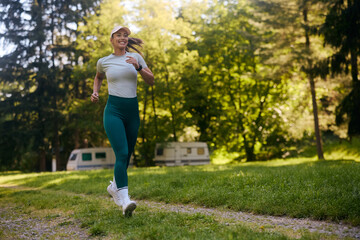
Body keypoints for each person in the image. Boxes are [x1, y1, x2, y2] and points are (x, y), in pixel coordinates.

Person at [90, 26, 154, 217]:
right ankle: (125, 201)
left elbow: (151, 80)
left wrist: (139, 67)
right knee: (122, 152)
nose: (123, 38)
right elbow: (98, 77)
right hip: (114, 111)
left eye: (125, 35)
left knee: (127, 155)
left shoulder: (136, 58)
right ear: (112, 39)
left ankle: (114, 187)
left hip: (132, 111)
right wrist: (95, 92)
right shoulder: (104, 61)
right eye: (119, 35)